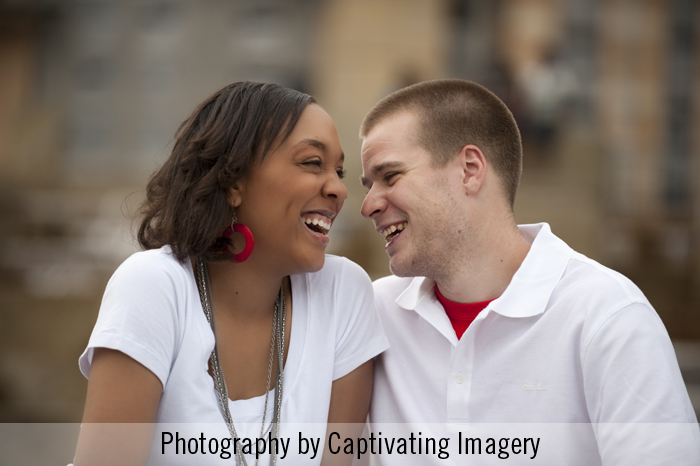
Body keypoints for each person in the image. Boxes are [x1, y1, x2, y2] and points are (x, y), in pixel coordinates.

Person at [359, 79, 700, 464]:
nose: (368, 204)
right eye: (368, 184)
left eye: (390, 176)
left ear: (470, 170)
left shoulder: (606, 317)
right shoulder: (370, 314)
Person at [73, 81, 388, 466]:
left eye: (339, 171)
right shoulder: (154, 286)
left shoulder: (343, 293)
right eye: (311, 162)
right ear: (233, 181)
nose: (338, 188)